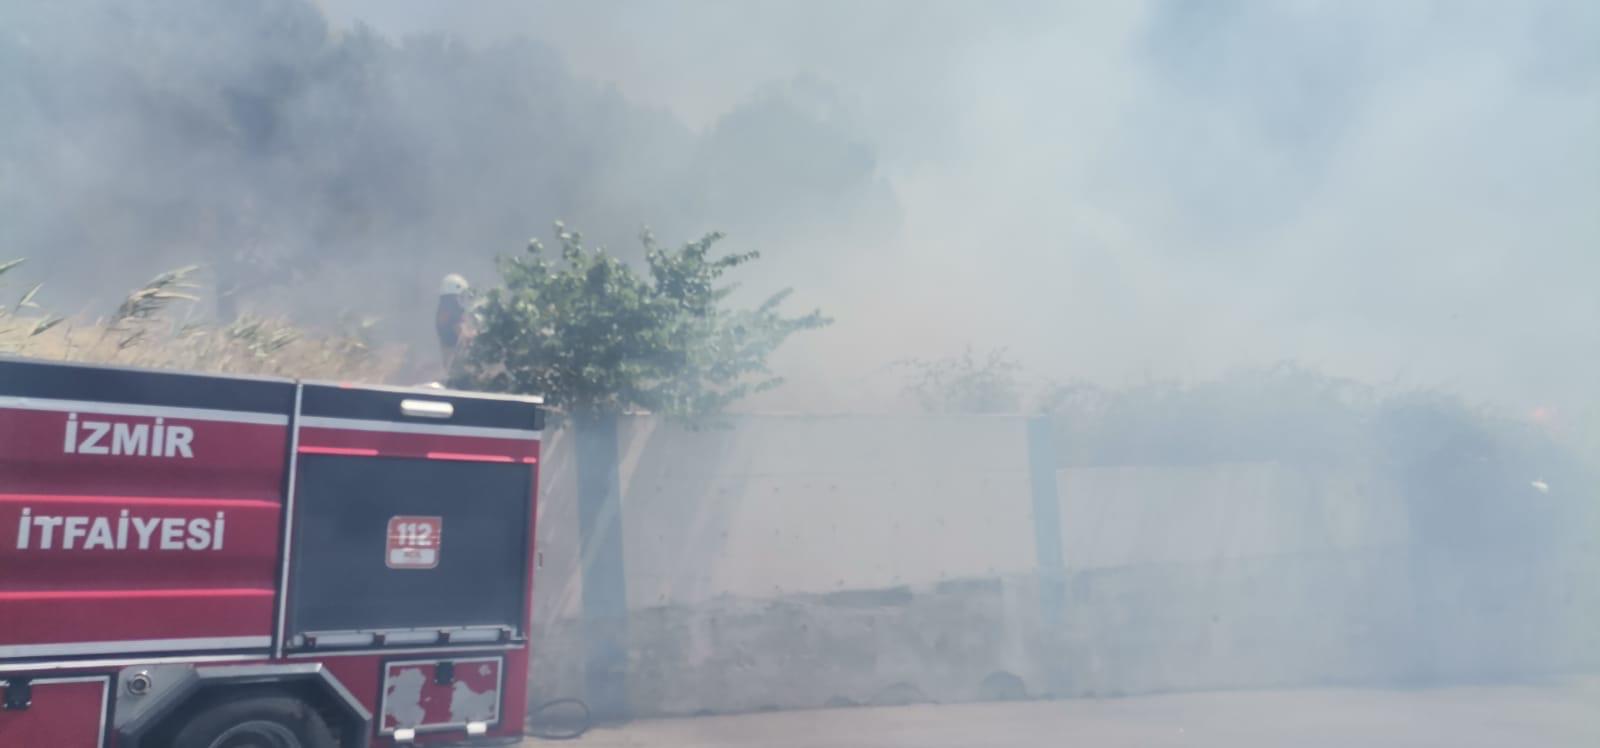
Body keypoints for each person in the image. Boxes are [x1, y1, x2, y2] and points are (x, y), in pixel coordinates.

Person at [436, 273, 472, 373]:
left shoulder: (445, 311)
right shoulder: (450, 314)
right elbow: (466, 336)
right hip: (459, 371)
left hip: (454, 368)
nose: (464, 300)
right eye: (462, 296)